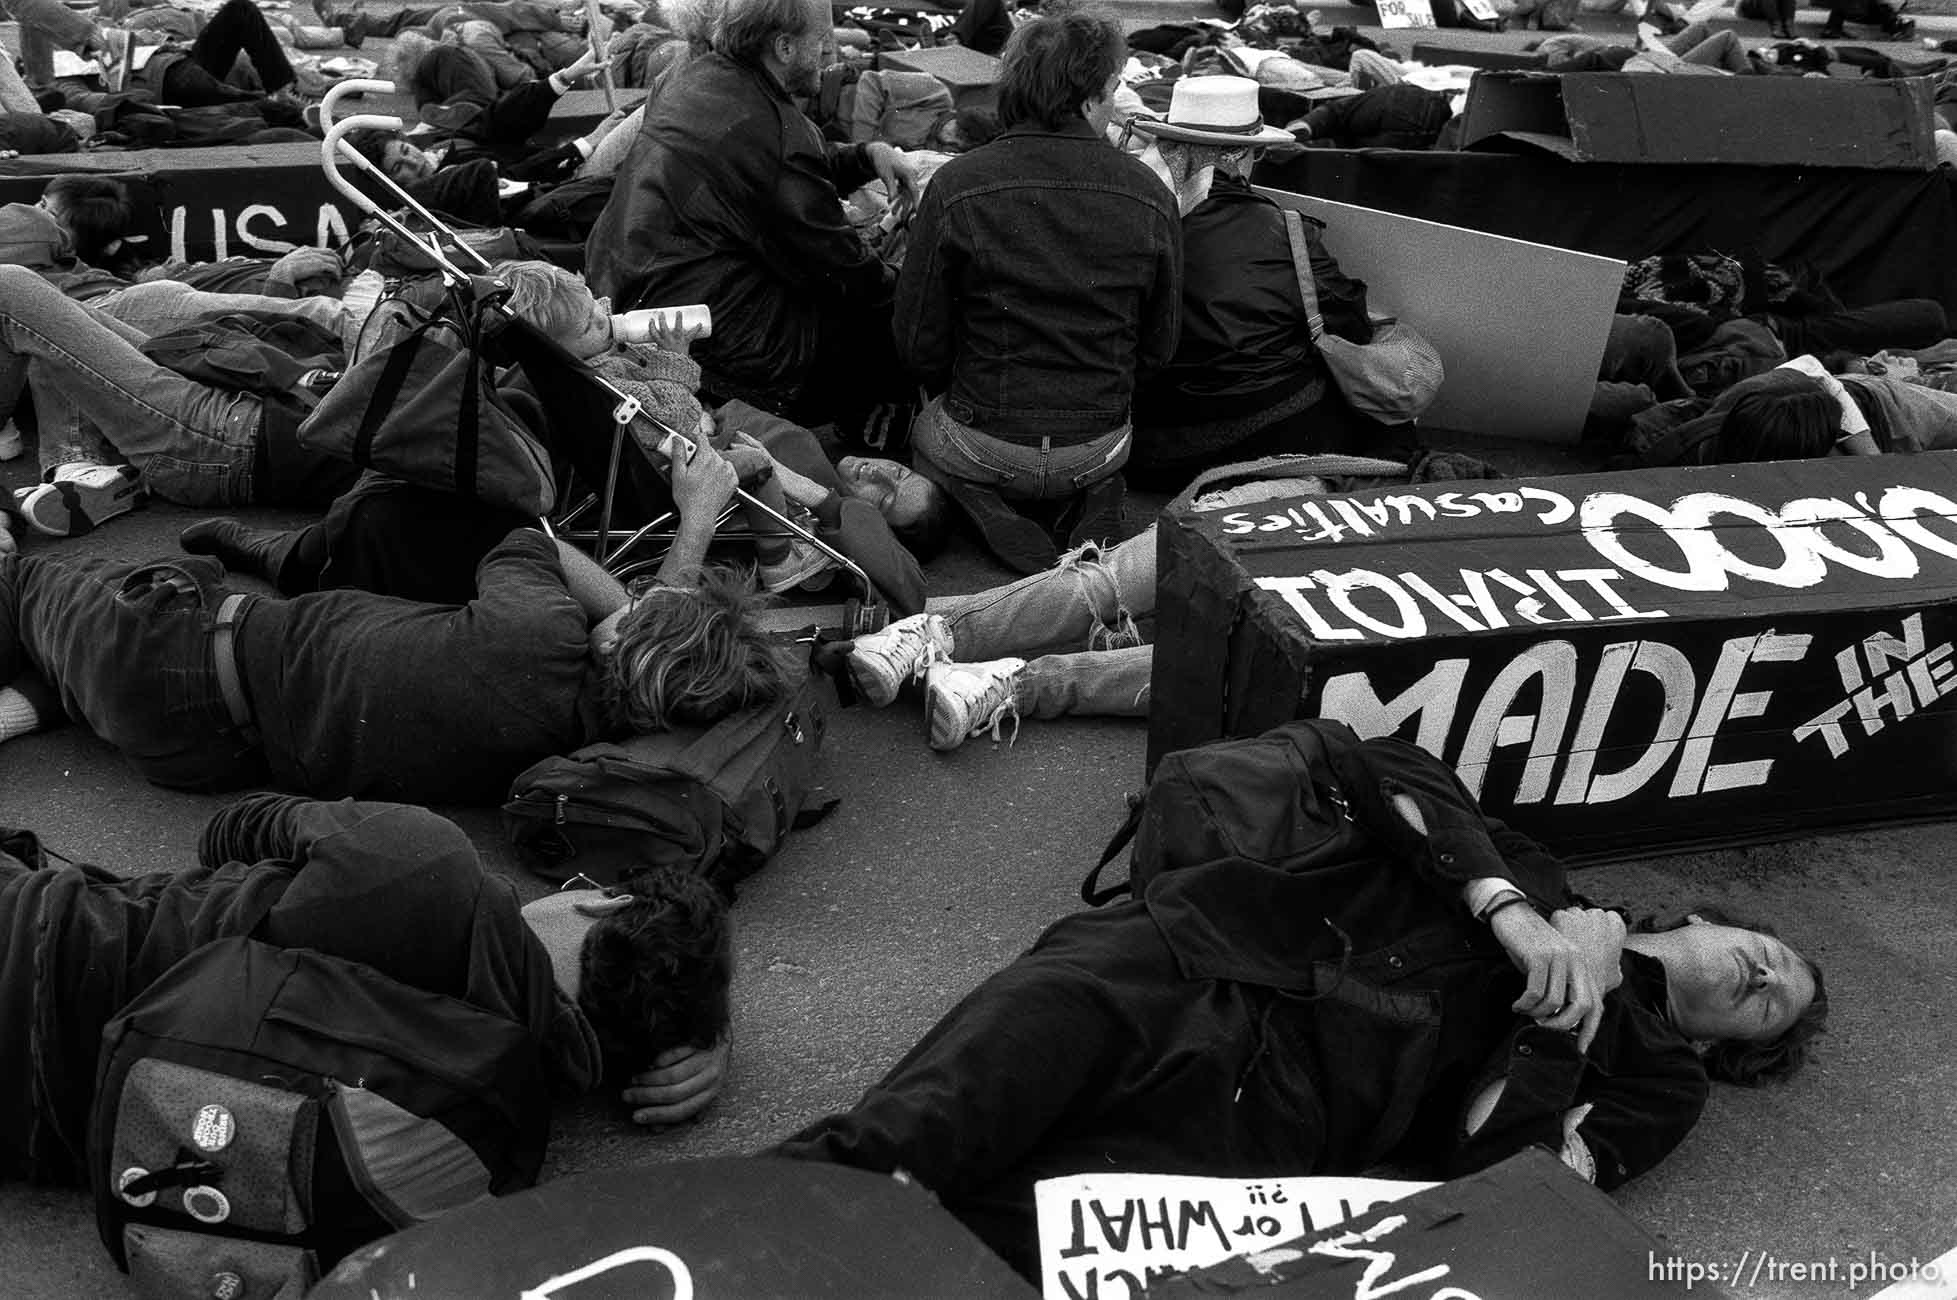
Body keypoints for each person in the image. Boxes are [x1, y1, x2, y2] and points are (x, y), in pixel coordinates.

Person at [773, 721, 1828, 1277]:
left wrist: (1576, 1008)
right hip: (1175, 957)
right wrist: (1508, 906)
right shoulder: (1545, 877)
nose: (1766, 977)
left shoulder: (1653, 1083)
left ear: (1731, 1045)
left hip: (1256, 1126)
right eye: (1769, 953)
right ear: (1701, 919)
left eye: (1769, 1009)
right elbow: (1382, 764)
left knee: (963, 1251)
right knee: (890, 1148)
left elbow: (1502, 1179)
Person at [0, 432, 782, 803]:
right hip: (203, 760)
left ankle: (279, 554)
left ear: (630, 634)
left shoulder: (538, 637)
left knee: (25, 579)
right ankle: (33, 702)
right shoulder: (581, 738)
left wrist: (693, 530)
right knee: (184, 582)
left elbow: (516, 539)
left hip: (163, 658)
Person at [0, 792, 733, 1184]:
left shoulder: (422, 863)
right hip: (40, 1136)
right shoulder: (513, 1093)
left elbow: (231, 828)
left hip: (37, 941)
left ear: (599, 904)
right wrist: (703, 1033)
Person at [898, 6, 1181, 574]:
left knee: (923, 431)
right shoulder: (1150, 193)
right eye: (1112, 87)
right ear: (1087, 97)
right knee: (1092, 456)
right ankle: (1096, 491)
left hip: (986, 441)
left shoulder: (956, 183)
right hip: (1098, 442)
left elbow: (916, 343)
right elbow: (1159, 349)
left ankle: (972, 495)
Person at [585, 0, 919, 425]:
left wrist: (867, 154)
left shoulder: (697, 76)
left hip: (631, 293)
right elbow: (848, 272)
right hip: (708, 340)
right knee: (889, 316)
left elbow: (777, 165)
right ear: (783, 47)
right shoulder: (771, 130)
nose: (832, 54)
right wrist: (915, 279)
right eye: (822, 41)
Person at [1126, 77, 1399, 489]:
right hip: (1265, 438)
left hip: (1154, 449)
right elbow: (1351, 325)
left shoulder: (1130, 220)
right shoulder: (1286, 231)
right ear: (1245, 155)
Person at [0, 262, 356, 531]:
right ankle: (77, 463)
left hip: (233, 433)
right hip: (245, 399)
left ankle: (75, 463)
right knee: (47, 318)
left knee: (11, 291)